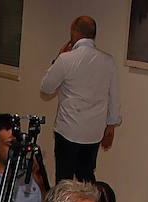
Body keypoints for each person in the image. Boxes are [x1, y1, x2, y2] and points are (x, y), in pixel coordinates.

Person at [39, 16, 120, 182]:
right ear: (93, 35)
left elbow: (46, 88)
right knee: (86, 177)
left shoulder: (66, 59)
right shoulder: (108, 61)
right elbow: (114, 96)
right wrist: (111, 126)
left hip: (68, 129)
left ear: (73, 33)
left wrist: (58, 58)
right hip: (94, 131)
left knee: (64, 179)